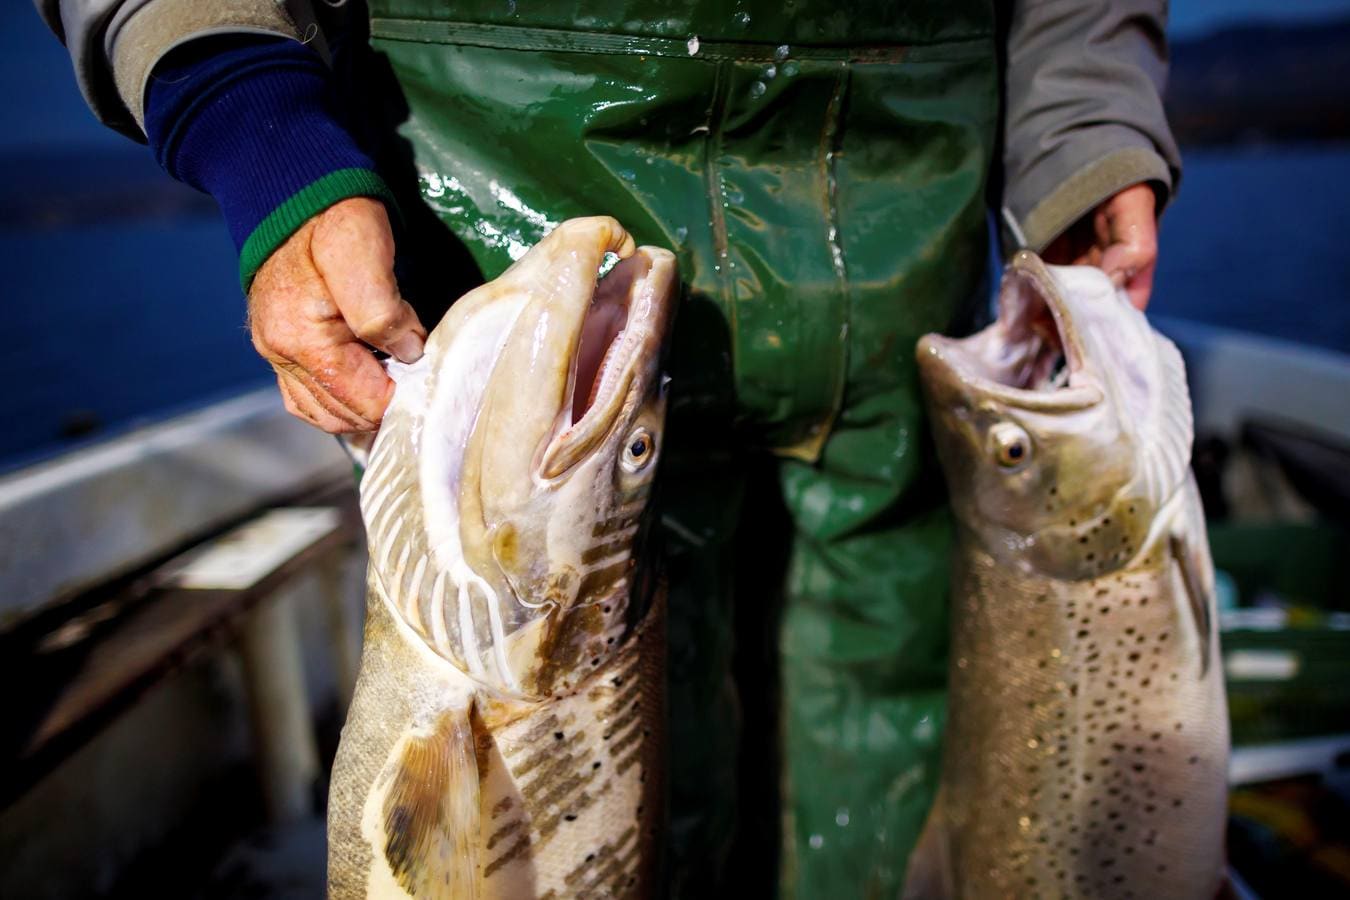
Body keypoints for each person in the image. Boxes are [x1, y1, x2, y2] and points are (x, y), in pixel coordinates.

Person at [38, 1, 1178, 894]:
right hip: (478, 186)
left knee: (891, 778)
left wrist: (1086, 123)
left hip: (899, 260)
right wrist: (249, 117)